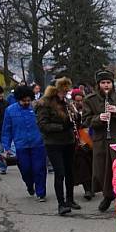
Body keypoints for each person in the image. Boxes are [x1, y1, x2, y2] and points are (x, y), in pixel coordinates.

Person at [83, 69, 116, 211]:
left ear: (112, 83)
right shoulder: (90, 100)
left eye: (108, 82)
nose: (106, 85)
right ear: (98, 84)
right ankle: (108, 195)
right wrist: (98, 118)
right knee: (102, 171)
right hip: (101, 140)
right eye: (103, 83)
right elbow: (85, 121)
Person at [36, 77, 78, 216]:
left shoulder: (66, 102)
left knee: (70, 172)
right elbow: (42, 125)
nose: (64, 94)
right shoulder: (45, 103)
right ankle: (61, 203)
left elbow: (73, 119)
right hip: (53, 143)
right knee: (59, 173)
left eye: (66, 91)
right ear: (55, 90)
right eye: (62, 91)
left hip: (69, 141)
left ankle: (70, 199)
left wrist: (76, 118)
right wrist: (61, 127)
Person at [1, 85, 48, 201]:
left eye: (29, 100)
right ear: (18, 99)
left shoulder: (37, 109)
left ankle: (41, 192)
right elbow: (6, 130)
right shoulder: (10, 110)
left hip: (38, 144)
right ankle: (29, 185)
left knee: (39, 169)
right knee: (25, 169)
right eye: (24, 101)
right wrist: (6, 147)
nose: (27, 102)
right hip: (21, 146)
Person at [69, 88, 94, 200]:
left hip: (89, 138)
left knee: (91, 163)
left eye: (81, 100)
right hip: (77, 141)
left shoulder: (88, 108)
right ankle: (87, 189)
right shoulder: (70, 110)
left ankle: (93, 187)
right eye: (77, 101)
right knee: (82, 164)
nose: (79, 103)